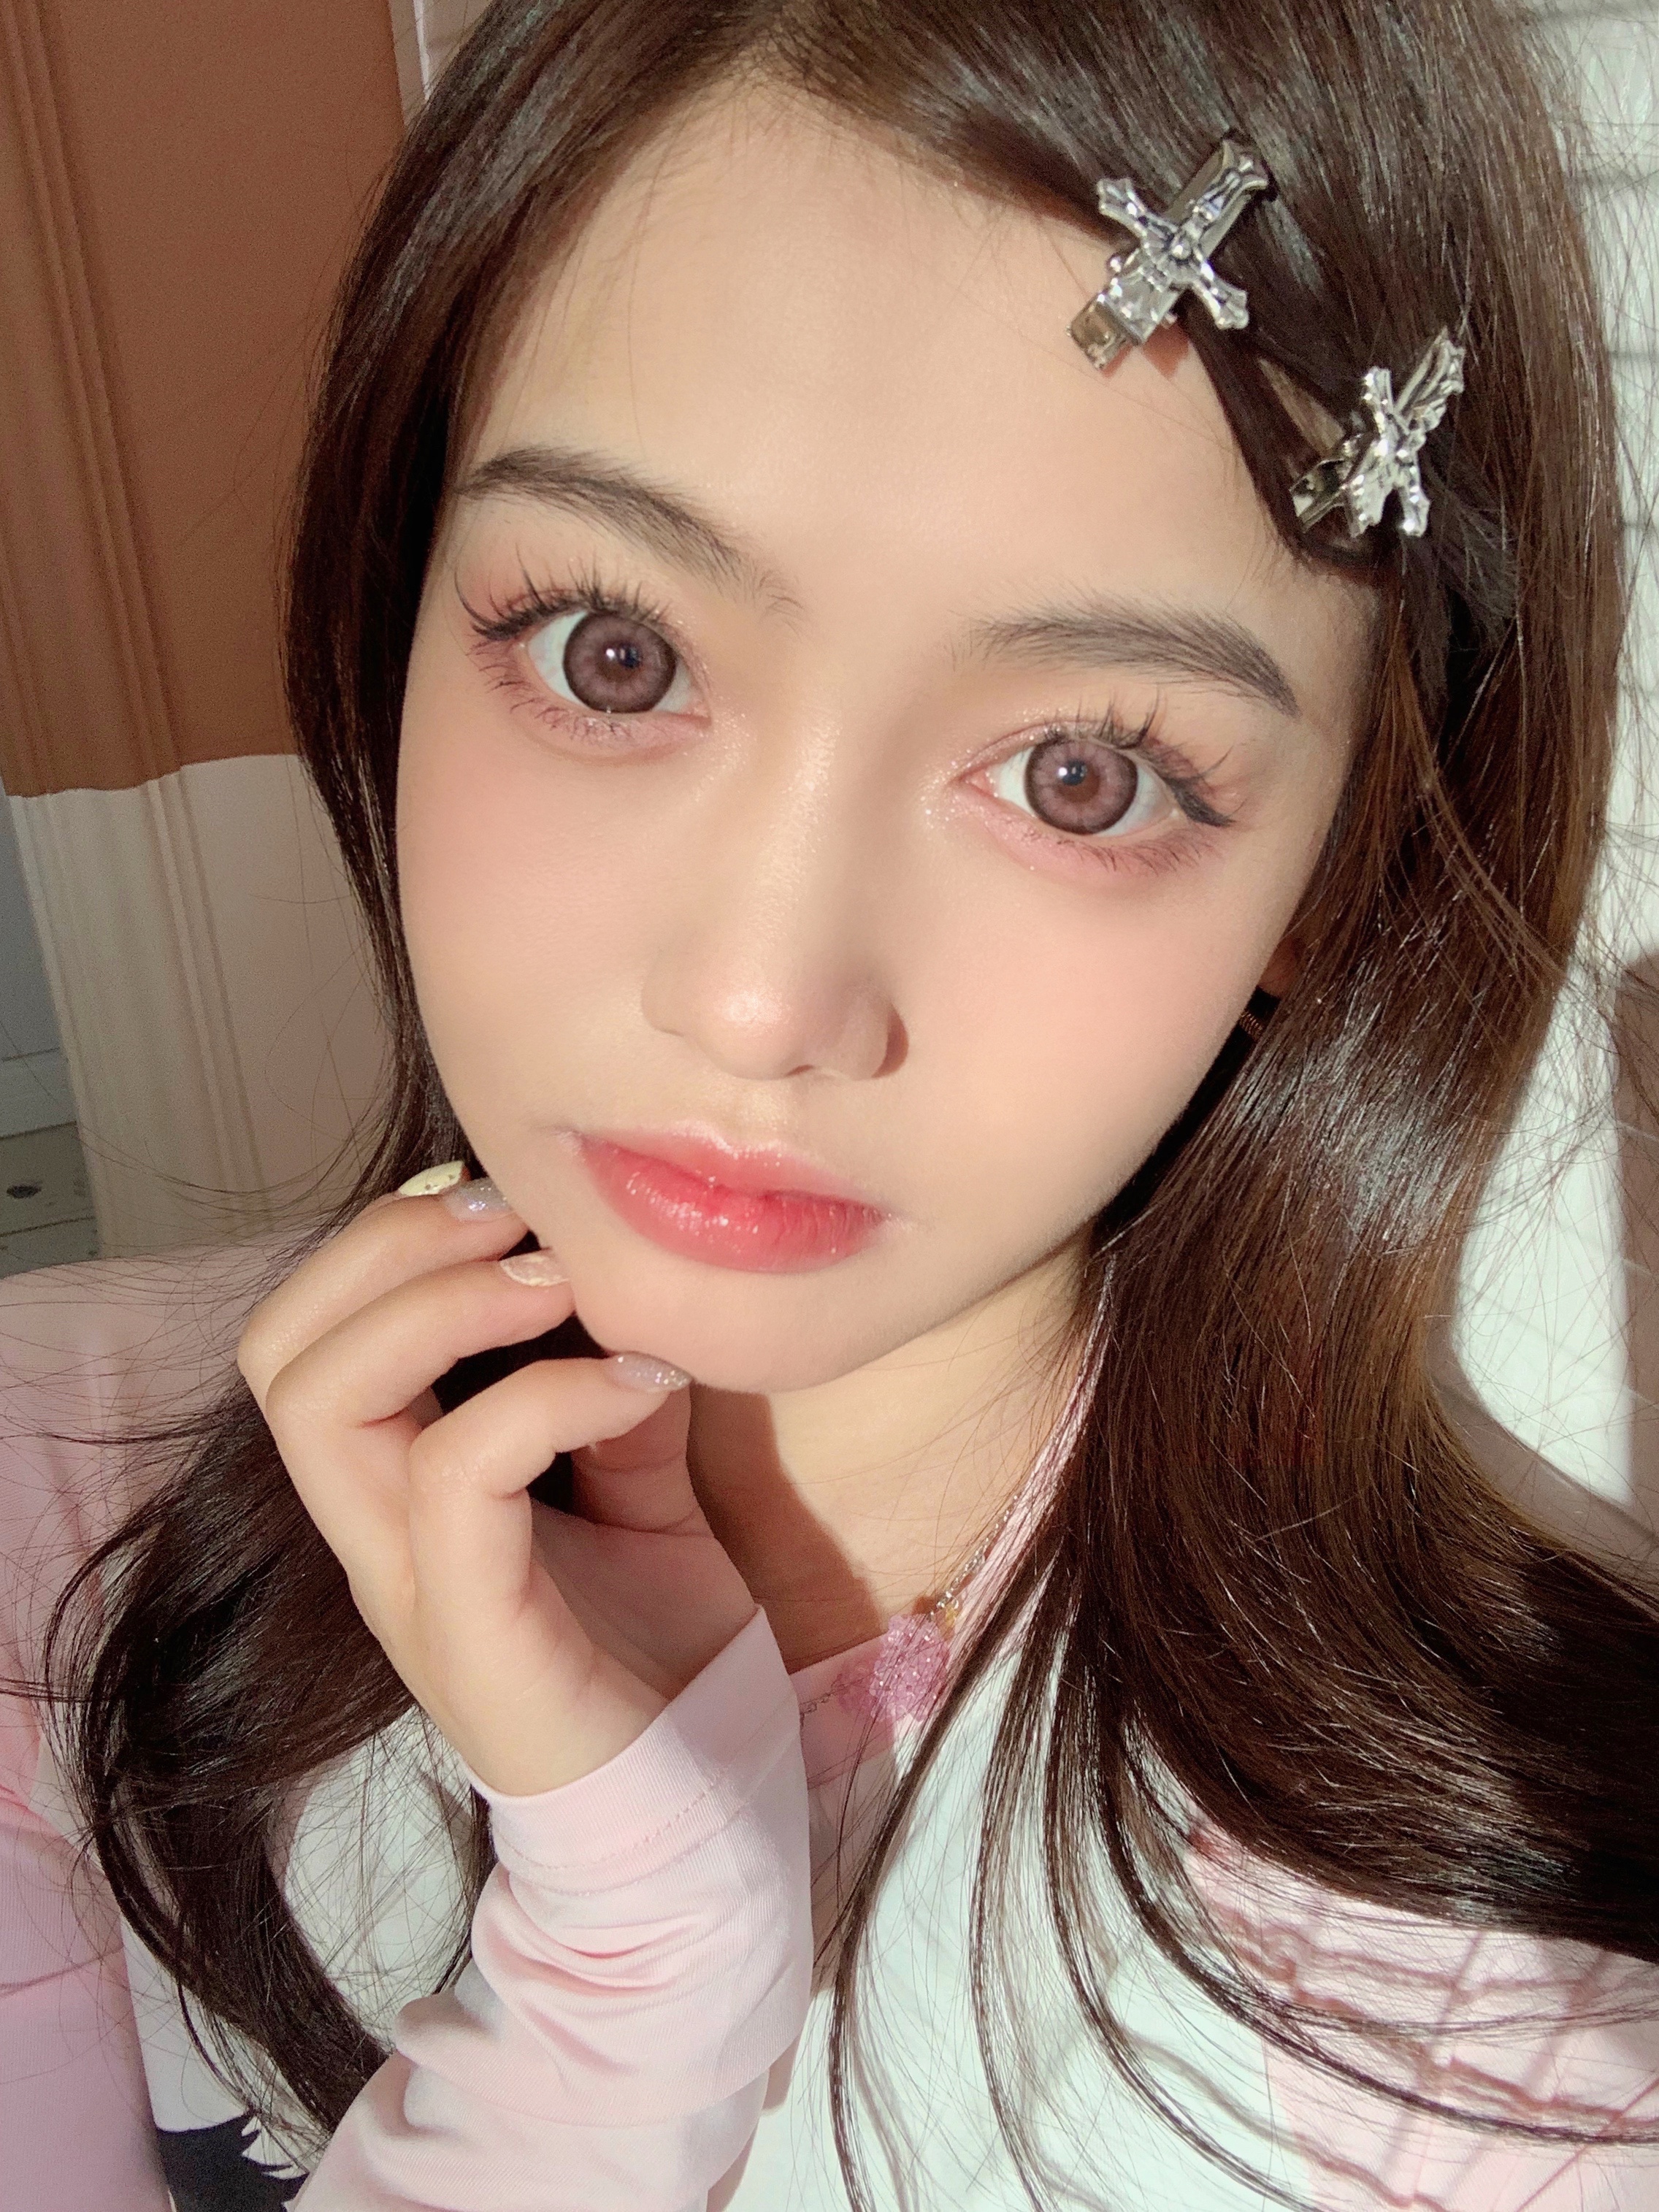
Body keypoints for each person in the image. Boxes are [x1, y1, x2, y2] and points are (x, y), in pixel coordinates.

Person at [4, 0, 1659, 2205]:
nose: (762, 1000)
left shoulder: (1484, 2058)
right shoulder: (39, 1529)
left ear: (1333, 873)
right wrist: (626, 1984)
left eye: (1082, 775)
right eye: (612, 652)